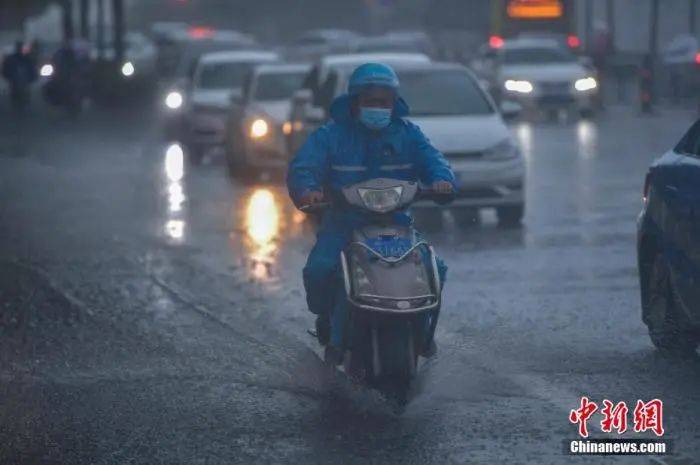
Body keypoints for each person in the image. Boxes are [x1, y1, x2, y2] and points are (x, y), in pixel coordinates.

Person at [286, 63, 455, 357]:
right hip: (344, 224)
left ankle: (422, 331)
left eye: (384, 102)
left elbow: (434, 161)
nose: (378, 108)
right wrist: (308, 191)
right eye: (371, 102)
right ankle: (329, 321)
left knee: (435, 269)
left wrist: (442, 181)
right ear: (356, 103)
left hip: (398, 223)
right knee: (320, 270)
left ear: (393, 104)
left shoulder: (408, 135)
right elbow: (304, 167)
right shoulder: (331, 136)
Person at [1, 40, 37, 113]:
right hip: (16, 79)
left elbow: (32, 68)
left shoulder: (25, 58)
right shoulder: (23, 58)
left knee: (22, 93)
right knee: (18, 93)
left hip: (20, 79)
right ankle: (21, 107)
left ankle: (22, 106)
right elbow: (5, 69)